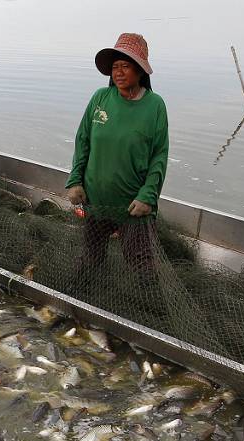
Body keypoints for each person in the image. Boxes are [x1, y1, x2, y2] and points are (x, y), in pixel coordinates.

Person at [65, 33, 170, 286]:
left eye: (125, 66)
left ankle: (146, 310)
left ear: (140, 71)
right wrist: (75, 180)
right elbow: (83, 141)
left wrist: (148, 196)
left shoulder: (155, 106)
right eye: (115, 67)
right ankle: (85, 299)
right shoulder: (100, 98)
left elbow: (159, 156)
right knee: (91, 259)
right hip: (95, 200)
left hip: (132, 206)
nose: (118, 73)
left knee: (142, 266)